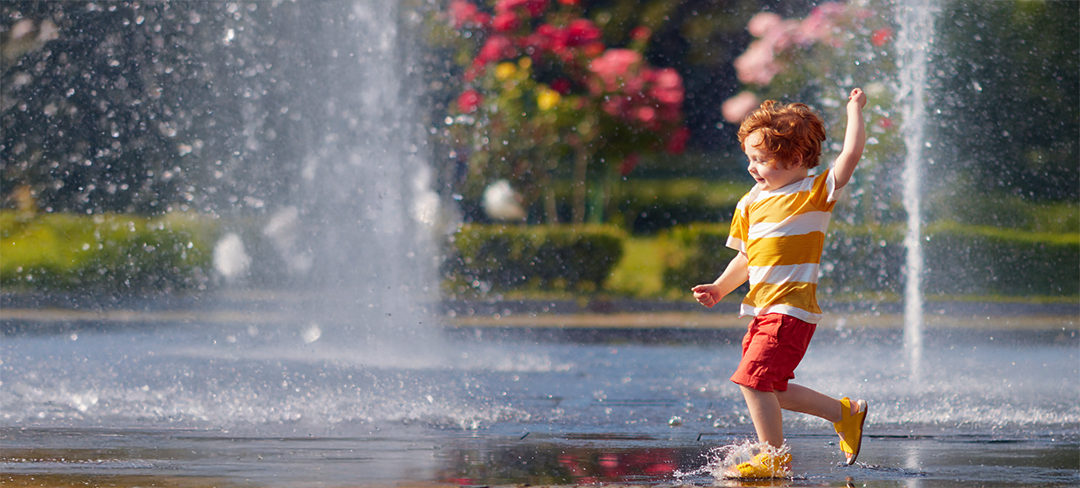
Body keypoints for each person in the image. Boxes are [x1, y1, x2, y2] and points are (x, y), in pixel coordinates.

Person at [692, 87, 869, 479]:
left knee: (752, 380)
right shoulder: (751, 201)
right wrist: (721, 287)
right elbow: (746, 257)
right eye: (750, 159)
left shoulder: (814, 193)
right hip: (761, 308)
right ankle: (846, 414)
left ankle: (773, 457)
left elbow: (851, 154)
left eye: (763, 160)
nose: (754, 167)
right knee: (770, 386)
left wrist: (854, 109)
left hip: (791, 310)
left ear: (796, 159)